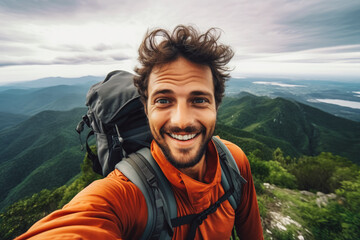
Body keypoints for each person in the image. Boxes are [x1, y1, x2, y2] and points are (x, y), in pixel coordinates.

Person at [15, 25, 263, 240]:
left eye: (199, 100)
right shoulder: (125, 195)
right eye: (164, 101)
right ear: (146, 109)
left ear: (216, 106)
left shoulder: (233, 162)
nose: (182, 121)